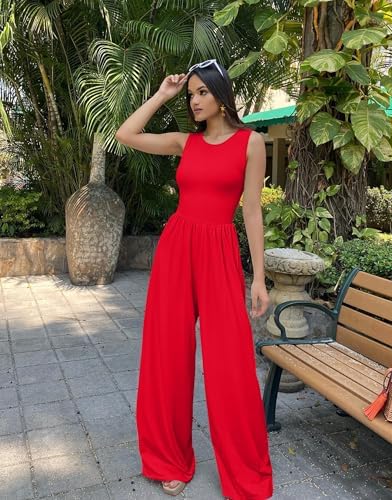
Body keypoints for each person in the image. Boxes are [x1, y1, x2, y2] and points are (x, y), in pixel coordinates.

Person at [115, 59, 273, 499]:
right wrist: (163, 94)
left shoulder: (251, 142)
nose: (195, 101)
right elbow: (126, 134)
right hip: (177, 250)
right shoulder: (186, 142)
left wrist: (258, 278)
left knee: (230, 362)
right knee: (167, 355)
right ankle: (169, 460)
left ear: (222, 95)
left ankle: (243, 470)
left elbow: (252, 211)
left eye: (202, 92)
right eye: (191, 94)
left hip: (220, 254)